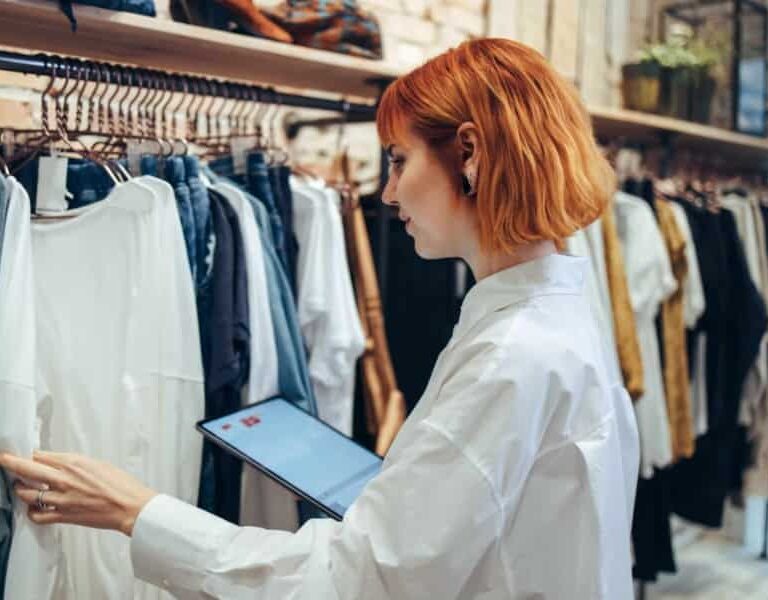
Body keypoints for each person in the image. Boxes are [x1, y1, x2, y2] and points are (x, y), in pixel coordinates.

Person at [0, 38, 639, 599]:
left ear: (468, 154)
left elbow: (357, 579)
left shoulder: (512, 355)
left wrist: (136, 511)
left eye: (397, 159)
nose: (386, 193)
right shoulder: (559, 313)